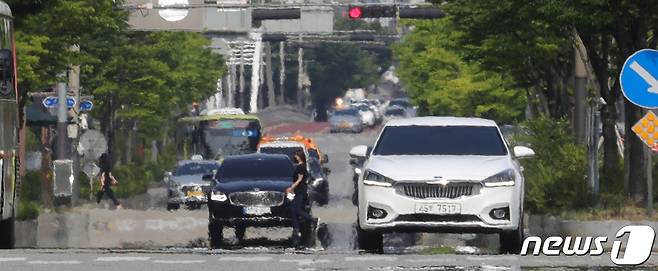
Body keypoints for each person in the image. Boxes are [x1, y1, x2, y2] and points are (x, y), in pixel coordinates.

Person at [286, 150, 318, 245]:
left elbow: (299, 180)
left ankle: (313, 220)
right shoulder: (301, 166)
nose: (294, 157)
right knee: (293, 210)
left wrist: (291, 188)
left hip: (301, 191)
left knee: (298, 209)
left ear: (299, 156)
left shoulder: (301, 167)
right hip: (299, 191)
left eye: (296, 155)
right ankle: (297, 229)